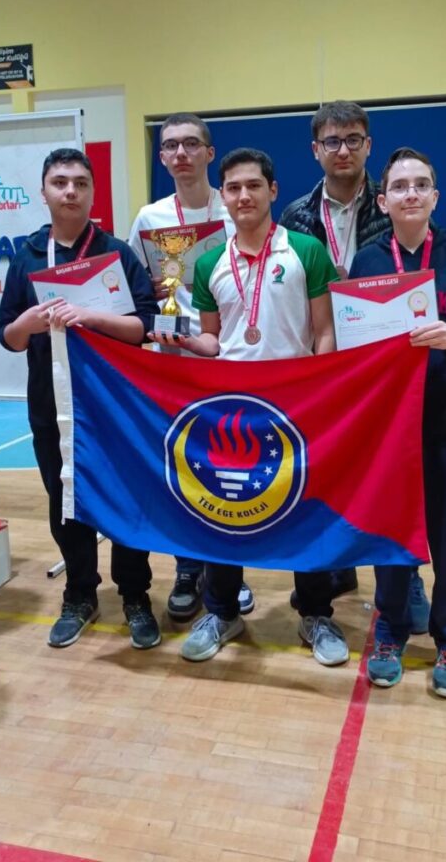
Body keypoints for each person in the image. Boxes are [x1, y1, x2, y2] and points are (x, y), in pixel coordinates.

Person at [150, 147, 349, 668]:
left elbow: (324, 331)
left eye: (253, 186)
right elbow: (214, 340)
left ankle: (315, 613)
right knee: (224, 509)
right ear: (224, 196)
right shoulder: (208, 262)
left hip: (295, 404)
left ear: (272, 191)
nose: (243, 196)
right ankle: (222, 612)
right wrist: (179, 338)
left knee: (305, 510)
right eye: (234, 188)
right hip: (232, 405)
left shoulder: (305, 250)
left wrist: (323, 391)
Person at [348, 147, 446, 698]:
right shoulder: (367, 263)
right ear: (383, 200)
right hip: (390, 432)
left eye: (420, 184)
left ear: (435, 196)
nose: (410, 193)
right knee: (391, 539)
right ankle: (389, 632)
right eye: (400, 186)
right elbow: (352, 343)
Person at [0, 148, 161, 651]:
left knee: (126, 497)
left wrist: (88, 316)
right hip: (52, 404)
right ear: (44, 192)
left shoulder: (117, 254)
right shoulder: (27, 257)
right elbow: (8, 337)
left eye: (80, 183)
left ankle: (134, 595)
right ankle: (80, 594)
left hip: (116, 404)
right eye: (60, 182)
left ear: (92, 192)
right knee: (64, 500)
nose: (70, 191)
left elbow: (144, 326)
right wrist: (31, 321)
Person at [280, 100, 429, 630]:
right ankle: (332, 566)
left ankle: (404, 574)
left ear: (369, 145)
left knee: (391, 470)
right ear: (315, 149)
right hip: (322, 363)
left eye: (353, 140)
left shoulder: (395, 202)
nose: (342, 150)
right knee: (325, 468)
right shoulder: (294, 215)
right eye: (332, 141)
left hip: (384, 365)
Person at [129, 113, 254, 622]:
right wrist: (158, 315)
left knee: (229, 468)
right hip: (175, 362)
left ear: (209, 152)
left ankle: (230, 572)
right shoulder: (149, 218)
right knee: (183, 469)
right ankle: (186, 568)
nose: (180, 153)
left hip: (231, 359)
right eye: (170, 146)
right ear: (162, 157)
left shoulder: (236, 207)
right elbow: (140, 290)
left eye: (190, 144)